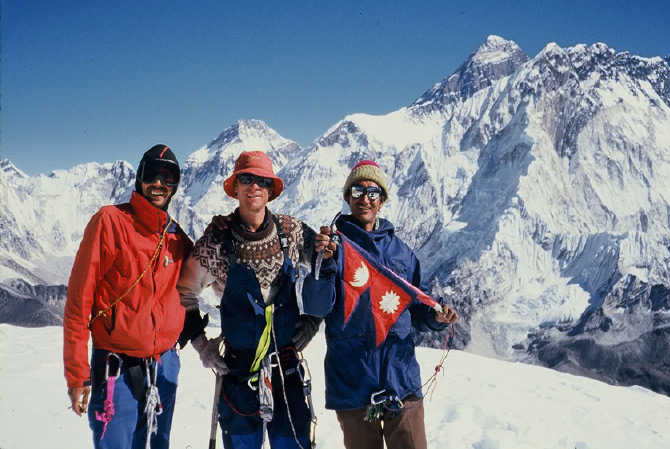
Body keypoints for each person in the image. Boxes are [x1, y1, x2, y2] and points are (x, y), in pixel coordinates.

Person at [176, 150, 336, 449]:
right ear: (235, 187)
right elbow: (183, 292)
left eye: (262, 181)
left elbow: (324, 269)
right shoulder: (217, 242)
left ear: (270, 190)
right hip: (238, 370)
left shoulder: (292, 232)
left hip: (286, 369)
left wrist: (313, 321)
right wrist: (201, 345)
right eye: (246, 179)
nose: (254, 187)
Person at [318, 160, 458, 449]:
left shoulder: (402, 254)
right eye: (357, 191)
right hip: (353, 381)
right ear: (347, 197)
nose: (365, 198)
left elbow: (416, 309)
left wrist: (436, 318)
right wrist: (326, 263)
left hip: (400, 380)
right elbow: (316, 305)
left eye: (373, 192)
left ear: (382, 200)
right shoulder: (332, 246)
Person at [63, 144, 193, 449]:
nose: (159, 183)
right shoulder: (109, 222)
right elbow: (79, 301)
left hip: (164, 365)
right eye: (152, 173)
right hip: (116, 368)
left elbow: (195, 289)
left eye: (168, 176)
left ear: (175, 184)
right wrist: (77, 374)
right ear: (139, 177)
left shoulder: (177, 237)